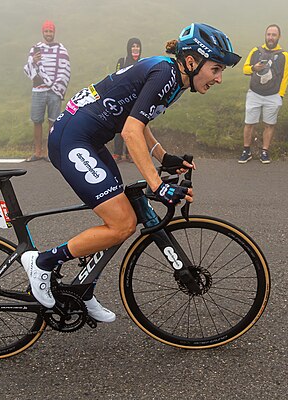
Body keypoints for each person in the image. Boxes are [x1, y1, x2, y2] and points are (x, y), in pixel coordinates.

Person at [21, 23, 241, 322]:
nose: (218, 78)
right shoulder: (166, 74)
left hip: (89, 138)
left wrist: (164, 157)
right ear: (192, 61)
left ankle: (83, 290)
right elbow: (131, 131)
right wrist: (158, 185)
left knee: (124, 219)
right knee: (122, 222)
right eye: (216, 69)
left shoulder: (174, 77)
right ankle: (43, 262)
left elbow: (139, 120)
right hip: (72, 139)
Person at [238, 24, 288, 164]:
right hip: (254, 93)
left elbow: (285, 76)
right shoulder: (256, 51)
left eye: (274, 35)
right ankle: (246, 150)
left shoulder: (284, 55)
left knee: (269, 124)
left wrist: (280, 95)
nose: (270, 37)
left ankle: (265, 151)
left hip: (273, 96)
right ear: (265, 35)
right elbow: (245, 69)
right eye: (269, 34)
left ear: (279, 37)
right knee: (249, 123)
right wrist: (255, 68)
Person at [23, 20, 71, 162]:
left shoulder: (61, 49)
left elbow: (65, 69)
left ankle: (49, 153)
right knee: (37, 121)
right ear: (42, 32)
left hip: (54, 91)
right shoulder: (35, 48)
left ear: (54, 32)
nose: (48, 34)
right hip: (38, 90)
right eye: (46, 31)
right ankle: (38, 152)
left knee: (53, 122)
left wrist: (57, 87)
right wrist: (34, 61)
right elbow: (29, 68)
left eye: (50, 31)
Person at [113, 38, 142, 163]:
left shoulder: (143, 62)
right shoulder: (122, 61)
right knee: (119, 126)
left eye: (138, 46)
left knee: (134, 127)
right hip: (123, 97)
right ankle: (117, 153)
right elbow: (117, 77)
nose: (135, 48)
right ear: (129, 48)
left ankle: (130, 153)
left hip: (137, 99)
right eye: (133, 46)